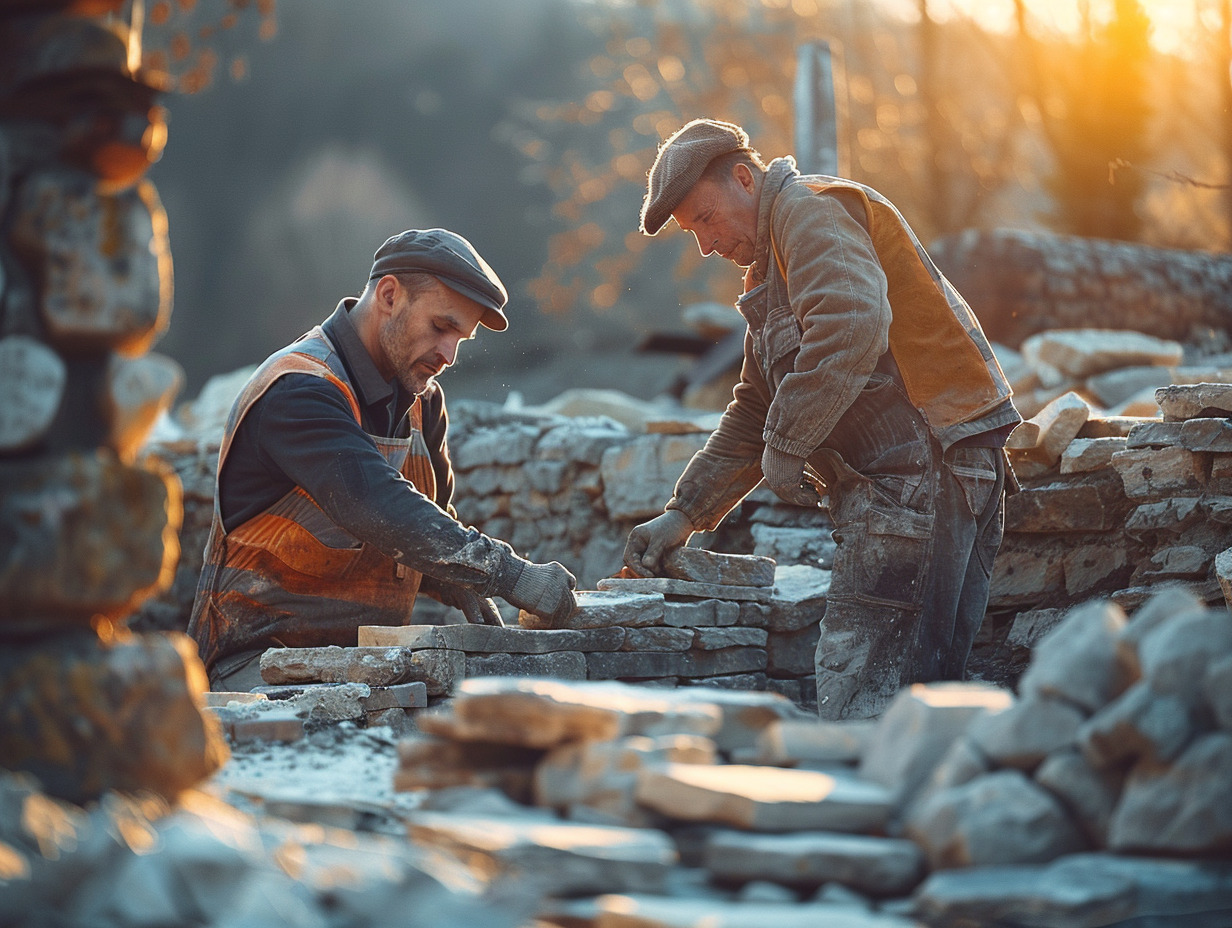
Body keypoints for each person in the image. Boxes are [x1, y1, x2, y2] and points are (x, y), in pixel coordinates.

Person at [624, 118, 1021, 719]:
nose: (704, 244)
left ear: (742, 179)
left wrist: (788, 443)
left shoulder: (807, 211)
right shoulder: (772, 272)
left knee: (867, 694)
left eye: (705, 218)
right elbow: (755, 407)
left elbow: (852, 323)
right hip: (914, 473)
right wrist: (683, 514)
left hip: (926, 463)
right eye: (691, 233)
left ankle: (868, 807)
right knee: (916, 698)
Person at [188, 228, 578, 691]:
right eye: (441, 327)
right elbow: (377, 503)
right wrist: (507, 574)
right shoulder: (298, 390)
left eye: (462, 338)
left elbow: (432, 522)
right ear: (390, 296)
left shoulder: (421, 401)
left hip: (364, 665)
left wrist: (454, 580)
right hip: (250, 669)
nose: (449, 355)